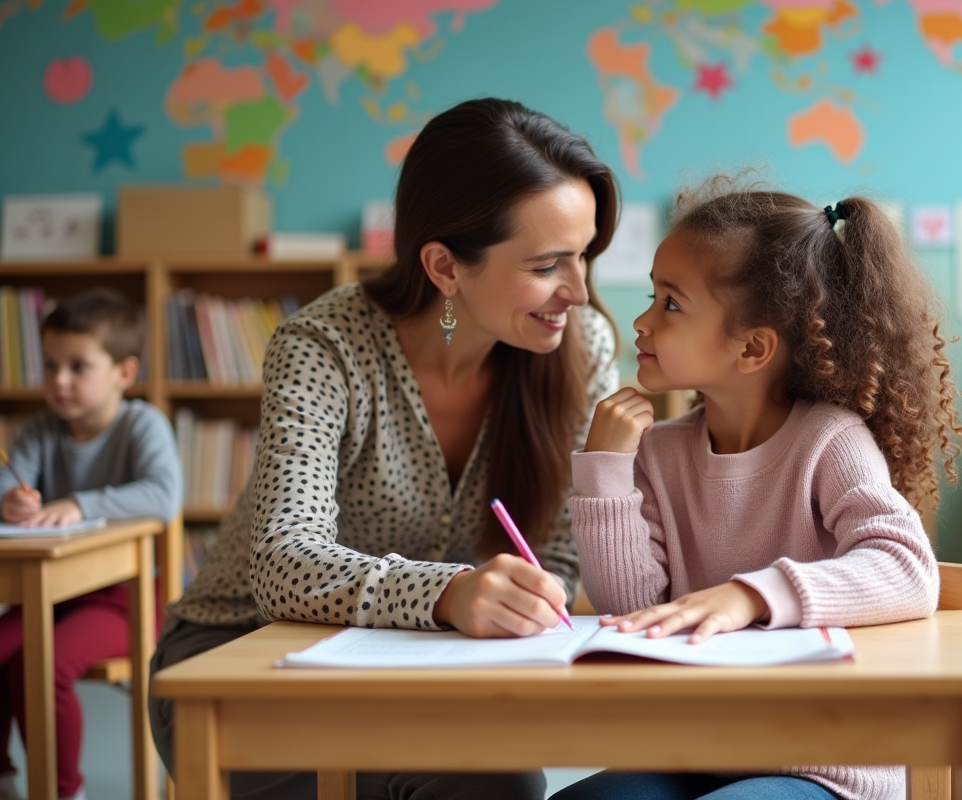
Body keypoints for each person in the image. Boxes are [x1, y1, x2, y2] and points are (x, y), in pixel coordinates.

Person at [149, 98, 620, 800]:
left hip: (425, 665)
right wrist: (451, 593)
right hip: (240, 659)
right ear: (443, 266)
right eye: (549, 264)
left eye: (584, 256)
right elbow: (283, 563)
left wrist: (522, 603)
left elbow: (548, 558)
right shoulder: (324, 347)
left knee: (501, 783)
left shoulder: (582, 351)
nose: (578, 291)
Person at [554, 182, 962, 800]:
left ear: (752, 347)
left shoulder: (829, 441)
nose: (641, 319)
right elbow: (633, 609)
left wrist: (750, 596)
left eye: (671, 303)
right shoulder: (659, 454)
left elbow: (908, 569)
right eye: (653, 294)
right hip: (697, 754)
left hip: (823, 764)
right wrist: (606, 470)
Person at [0, 288, 183, 800]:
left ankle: (62, 792)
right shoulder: (40, 430)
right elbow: (8, 490)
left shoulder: (142, 424)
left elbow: (162, 497)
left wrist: (81, 503)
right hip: (52, 596)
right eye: (51, 365)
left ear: (124, 373)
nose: (59, 380)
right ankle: (5, 777)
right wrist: (10, 503)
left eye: (77, 366)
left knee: (43, 664)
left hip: (128, 602)